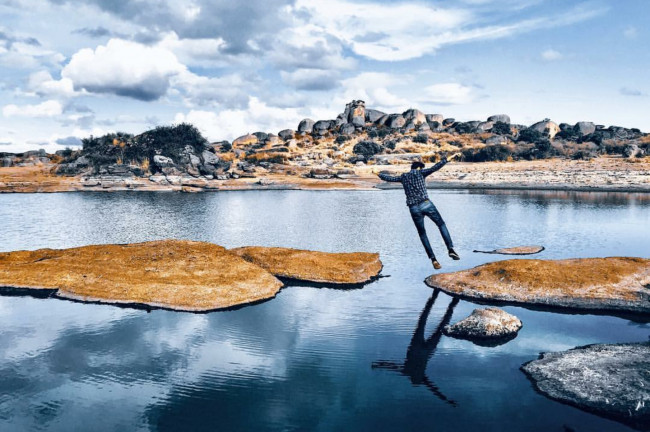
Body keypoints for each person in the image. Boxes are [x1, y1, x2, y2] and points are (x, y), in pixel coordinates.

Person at [376, 154, 461, 270]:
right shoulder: (421, 173)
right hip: (426, 204)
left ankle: (433, 259)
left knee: (422, 234)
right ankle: (450, 249)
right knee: (441, 224)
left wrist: (377, 174)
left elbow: (389, 178)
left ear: (412, 168)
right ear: (420, 168)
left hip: (413, 208)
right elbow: (436, 167)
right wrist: (448, 158)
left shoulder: (403, 176)